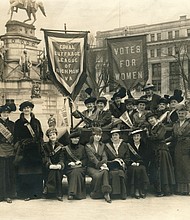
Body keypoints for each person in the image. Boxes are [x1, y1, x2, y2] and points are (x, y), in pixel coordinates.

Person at [14, 101, 44, 201]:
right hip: (24, 150)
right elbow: (16, 137)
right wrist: (23, 144)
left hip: (35, 150)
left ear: (31, 109)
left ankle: (36, 193)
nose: (26, 109)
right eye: (24, 108)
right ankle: (24, 194)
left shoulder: (36, 122)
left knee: (35, 172)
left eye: (28, 107)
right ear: (22, 110)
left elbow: (40, 134)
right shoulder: (18, 123)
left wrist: (40, 144)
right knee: (24, 172)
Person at [146, 112, 175, 196]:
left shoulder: (161, 126)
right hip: (154, 151)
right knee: (156, 170)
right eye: (149, 119)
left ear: (155, 118)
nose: (151, 120)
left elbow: (158, 137)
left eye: (152, 118)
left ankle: (164, 190)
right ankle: (158, 189)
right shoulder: (151, 127)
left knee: (162, 170)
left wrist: (148, 135)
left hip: (161, 150)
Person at [85, 127, 112, 203]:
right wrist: (101, 166)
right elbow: (92, 158)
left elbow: (104, 156)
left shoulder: (102, 145)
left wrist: (104, 164)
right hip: (91, 167)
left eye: (99, 135)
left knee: (105, 171)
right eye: (96, 135)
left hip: (101, 165)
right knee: (98, 175)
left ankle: (106, 193)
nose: (98, 137)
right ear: (93, 136)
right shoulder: (88, 146)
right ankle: (95, 192)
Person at [105, 128, 128, 200]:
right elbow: (106, 158)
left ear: (119, 136)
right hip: (111, 166)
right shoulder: (107, 146)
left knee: (120, 173)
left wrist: (123, 162)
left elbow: (128, 157)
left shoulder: (124, 145)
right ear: (111, 137)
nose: (115, 137)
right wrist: (113, 162)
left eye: (116, 135)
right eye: (113, 135)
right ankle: (114, 194)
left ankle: (122, 194)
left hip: (122, 167)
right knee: (113, 173)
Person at [42, 127, 64, 201]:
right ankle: (59, 194)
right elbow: (45, 157)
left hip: (57, 165)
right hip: (48, 165)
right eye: (50, 135)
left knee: (56, 171)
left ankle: (47, 188)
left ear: (56, 135)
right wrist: (49, 165)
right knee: (53, 171)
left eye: (54, 134)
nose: (52, 136)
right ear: (48, 137)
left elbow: (62, 158)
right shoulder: (45, 146)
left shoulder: (60, 146)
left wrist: (60, 164)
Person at [172, 105, 190, 195]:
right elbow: (173, 136)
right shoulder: (175, 124)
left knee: (186, 167)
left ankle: (188, 189)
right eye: (179, 114)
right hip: (178, 146)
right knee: (178, 167)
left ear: (186, 114)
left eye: (183, 113)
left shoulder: (189, 123)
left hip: (187, 146)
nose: (181, 115)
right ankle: (180, 189)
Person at [126, 128, 149, 199]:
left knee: (141, 169)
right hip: (132, 164)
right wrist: (132, 162)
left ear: (140, 137)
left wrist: (139, 162)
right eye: (135, 136)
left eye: (138, 136)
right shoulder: (129, 145)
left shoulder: (144, 145)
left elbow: (146, 157)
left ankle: (142, 189)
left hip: (141, 164)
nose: (136, 138)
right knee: (134, 169)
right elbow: (127, 156)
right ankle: (135, 189)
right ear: (132, 137)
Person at [64, 129, 87, 200]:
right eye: (74, 138)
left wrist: (81, 162)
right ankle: (76, 193)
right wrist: (68, 163)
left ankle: (72, 192)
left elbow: (86, 159)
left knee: (76, 171)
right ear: (71, 139)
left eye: (77, 138)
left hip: (80, 167)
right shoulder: (66, 148)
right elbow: (63, 160)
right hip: (69, 168)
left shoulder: (82, 148)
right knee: (74, 171)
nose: (76, 140)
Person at [0, 103, 16, 203]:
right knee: (2, 173)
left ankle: (8, 194)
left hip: (10, 149)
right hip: (0, 149)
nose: (5, 114)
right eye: (3, 112)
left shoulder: (12, 124)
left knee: (9, 172)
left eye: (7, 112)